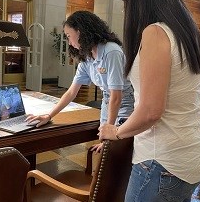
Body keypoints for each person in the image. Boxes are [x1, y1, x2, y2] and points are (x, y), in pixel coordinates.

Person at [99, 0, 200, 202]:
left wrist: (115, 131)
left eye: (127, 3)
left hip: (162, 161)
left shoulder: (155, 32)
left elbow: (152, 110)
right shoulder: (191, 34)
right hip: (195, 157)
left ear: (141, 1)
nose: (124, 10)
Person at [26, 10, 134, 151]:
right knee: (106, 150)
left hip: (124, 106)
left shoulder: (111, 51)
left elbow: (117, 96)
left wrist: (110, 130)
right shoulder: (87, 57)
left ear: (81, 31)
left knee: (115, 150)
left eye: (69, 36)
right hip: (107, 104)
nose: (69, 42)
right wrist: (49, 115)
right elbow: (71, 92)